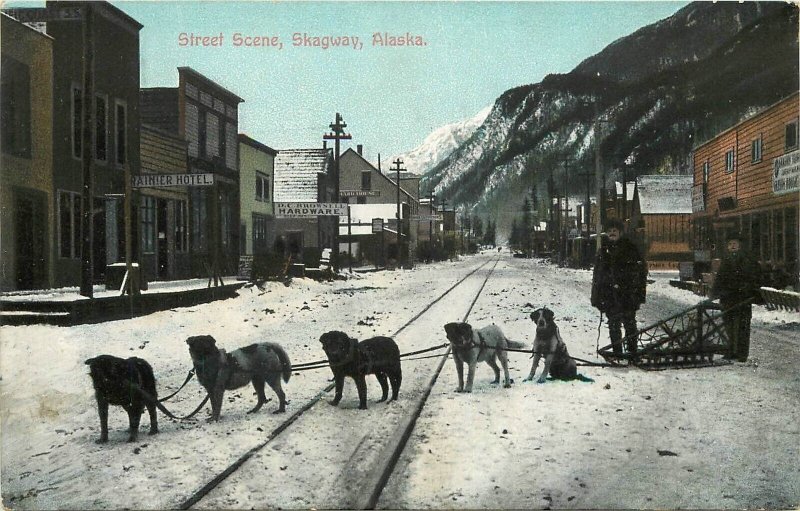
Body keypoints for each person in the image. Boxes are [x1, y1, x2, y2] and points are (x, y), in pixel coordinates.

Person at [591, 218, 648, 356]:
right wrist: (596, 297)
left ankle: (632, 353)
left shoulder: (631, 249)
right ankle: (618, 353)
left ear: (620, 232)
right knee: (613, 325)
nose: (612, 233)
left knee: (629, 324)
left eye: (615, 231)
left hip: (628, 295)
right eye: (609, 231)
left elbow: (640, 273)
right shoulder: (603, 251)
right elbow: (597, 276)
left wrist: (637, 292)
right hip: (609, 296)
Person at [711, 232, 761, 362]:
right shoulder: (726, 260)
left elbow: (753, 278)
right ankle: (730, 351)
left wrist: (747, 290)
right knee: (729, 326)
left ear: (739, 246)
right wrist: (714, 293)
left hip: (742, 299)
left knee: (742, 327)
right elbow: (719, 279)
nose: (732, 246)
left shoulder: (746, 260)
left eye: (735, 244)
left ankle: (742, 354)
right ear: (727, 247)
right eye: (730, 244)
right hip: (728, 299)